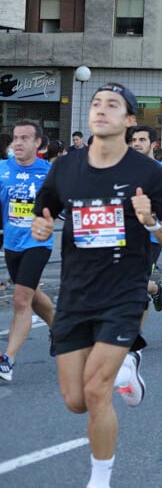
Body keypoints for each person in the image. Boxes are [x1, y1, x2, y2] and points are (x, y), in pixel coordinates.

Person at [32, 83, 162, 488]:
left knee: (98, 390)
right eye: (96, 104)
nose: (101, 110)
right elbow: (42, 213)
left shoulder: (147, 172)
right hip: (76, 296)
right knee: (75, 401)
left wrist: (150, 221)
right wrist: (41, 226)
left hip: (123, 295)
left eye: (112, 105)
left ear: (129, 119)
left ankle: (99, 480)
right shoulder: (65, 167)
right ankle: (131, 371)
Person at [0, 120, 56, 381]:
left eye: (24, 138)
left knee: (21, 299)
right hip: (12, 243)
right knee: (33, 295)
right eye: (15, 138)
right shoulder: (2, 169)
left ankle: (7, 360)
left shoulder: (50, 173)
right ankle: (60, 331)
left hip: (37, 243)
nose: (18, 143)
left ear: (38, 143)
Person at [129, 126, 162, 317]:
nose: (137, 144)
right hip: (125, 235)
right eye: (134, 140)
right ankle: (156, 289)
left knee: (137, 286)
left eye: (142, 140)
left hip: (152, 237)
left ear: (154, 144)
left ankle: (135, 342)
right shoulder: (123, 169)